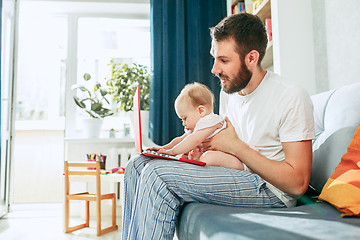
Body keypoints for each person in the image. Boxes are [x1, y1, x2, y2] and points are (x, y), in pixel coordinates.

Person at [122, 13, 315, 240]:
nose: (214, 69)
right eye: (214, 58)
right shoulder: (231, 91)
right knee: (138, 163)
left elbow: (298, 184)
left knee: (157, 175)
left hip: (270, 189)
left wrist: (234, 147)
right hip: (237, 171)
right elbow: (224, 141)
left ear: (251, 58)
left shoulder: (290, 96)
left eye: (224, 60)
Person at [152, 82, 245, 170]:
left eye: (185, 118)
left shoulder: (211, 120)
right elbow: (180, 139)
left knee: (208, 156)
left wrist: (172, 152)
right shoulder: (197, 127)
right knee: (189, 153)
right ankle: (197, 160)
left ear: (201, 111)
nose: (183, 123)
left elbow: (194, 139)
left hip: (235, 161)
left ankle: (198, 160)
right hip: (221, 157)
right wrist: (164, 149)